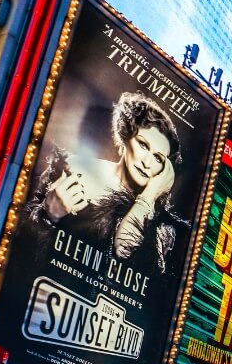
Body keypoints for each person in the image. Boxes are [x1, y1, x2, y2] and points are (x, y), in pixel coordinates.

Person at [26, 91, 187, 275]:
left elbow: (125, 252)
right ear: (126, 136)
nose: (147, 162)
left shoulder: (160, 221)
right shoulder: (73, 169)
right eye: (143, 145)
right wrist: (49, 215)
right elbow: (24, 245)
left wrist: (149, 196)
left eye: (158, 158)